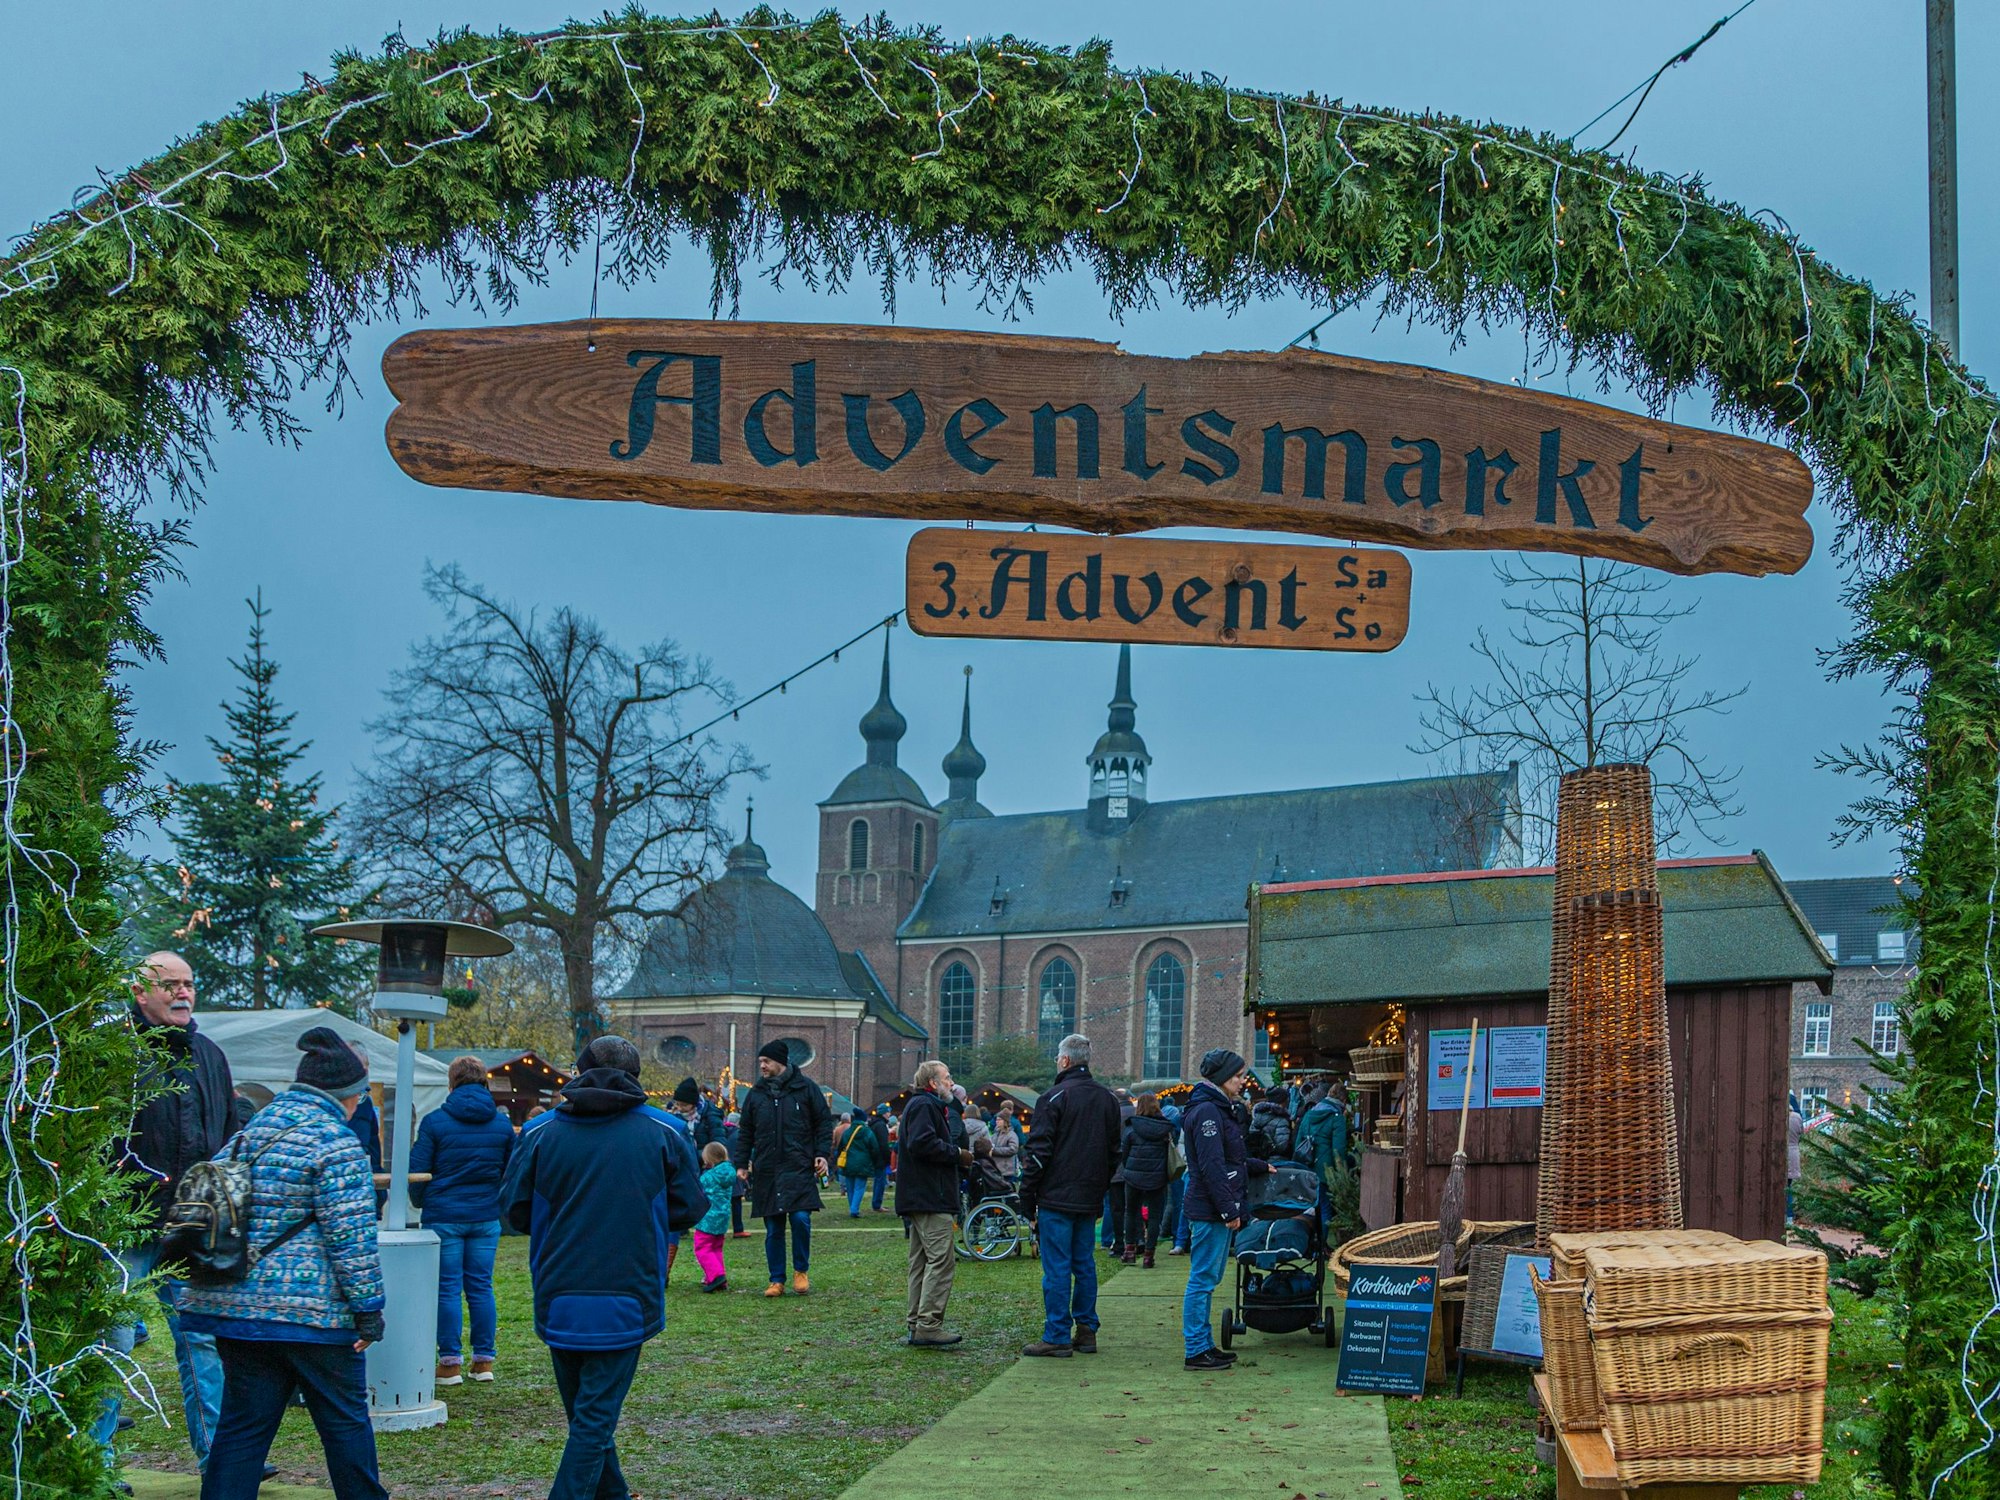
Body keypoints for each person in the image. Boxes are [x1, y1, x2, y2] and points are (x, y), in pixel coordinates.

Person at [177, 1026, 388, 1500]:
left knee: (242, 1431)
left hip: (239, 1313)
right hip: (316, 1317)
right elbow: (351, 1237)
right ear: (348, 1095)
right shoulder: (336, 1143)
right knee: (346, 1428)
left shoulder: (246, 1135)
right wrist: (369, 1311)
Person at [500, 1035, 704, 1500]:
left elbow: (513, 1210)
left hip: (561, 1284)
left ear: (578, 1071)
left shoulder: (539, 1133)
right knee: (591, 1417)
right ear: (636, 1077)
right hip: (628, 1286)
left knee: (588, 1414)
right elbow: (690, 1206)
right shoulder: (666, 1131)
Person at [99, 952, 242, 1477]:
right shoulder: (114, 1054)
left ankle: (221, 1460)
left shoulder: (210, 1054)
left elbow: (227, 1141)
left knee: (202, 1339)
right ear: (141, 993)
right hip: (124, 1226)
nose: (183, 993)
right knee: (112, 1341)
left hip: (192, 1227)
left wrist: (222, 1219)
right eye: (171, 985)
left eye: (189, 984)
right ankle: (97, 1464)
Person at [410, 1055, 515, 1387]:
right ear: (484, 1081)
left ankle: (450, 1364)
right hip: (485, 1215)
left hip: (444, 1216)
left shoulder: (434, 1122)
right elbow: (511, 1171)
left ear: (451, 1083)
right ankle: (483, 1362)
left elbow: (418, 1171)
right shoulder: (501, 1124)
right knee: (481, 1288)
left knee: (448, 1290)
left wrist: (421, 1202)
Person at [1016, 1034, 1122, 1358]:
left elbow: (1038, 1152)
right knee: (1084, 1264)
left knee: (1058, 1268)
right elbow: (1114, 1152)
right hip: (1088, 1195)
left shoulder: (1053, 1098)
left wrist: (1027, 1193)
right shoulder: (1107, 1100)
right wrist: (1100, 1187)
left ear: (1064, 1061)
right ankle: (1087, 1329)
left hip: (1056, 1196)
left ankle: (1058, 1334)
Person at [1181, 1049, 1275, 1372]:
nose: (1242, 1080)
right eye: (1237, 1075)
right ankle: (1195, 1348)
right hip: (1210, 1211)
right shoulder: (1208, 1112)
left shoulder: (1217, 1109)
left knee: (1209, 1277)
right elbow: (1212, 1167)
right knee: (1203, 1279)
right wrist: (1228, 1210)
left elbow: (1229, 1159)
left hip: (1213, 1208)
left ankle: (1204, 1344)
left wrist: (1260, 1165)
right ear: (1222, 1077)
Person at [736, 1040, 833, 1297]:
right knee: (774, 1228)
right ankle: (776, 1279)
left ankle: (801, 1271)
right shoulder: (756, 1094)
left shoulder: (806, 1089)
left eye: (766, 1062)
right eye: (760, 1063)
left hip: (798, 1165)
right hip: (767, 1168)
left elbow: (823, 1123)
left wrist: (822, 1154)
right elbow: (746, 1130)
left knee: (801, 1219)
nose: (762, 1067)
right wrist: (741, 1162)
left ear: (780, 1061)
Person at [898, 1060, 974, 1348]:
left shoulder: (924, 1106)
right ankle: (928, 1324)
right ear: (933, 1083)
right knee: (940, 1261)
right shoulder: (924, 1106)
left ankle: (918, 1323)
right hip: (931, 1196)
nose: (951, 1082)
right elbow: (922, 1143)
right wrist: (957, 1154)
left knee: (921, 1262)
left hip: (922, 1195)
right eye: (947, 1077)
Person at [1118, 1093, 1174, 1267]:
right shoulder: (1165, 1129)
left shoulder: (1132, 1127)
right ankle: (1149, 1255)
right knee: (1155, 1215)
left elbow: (1124, 1154)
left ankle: (1129, 1250)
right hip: (1157, 1178)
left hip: (1133, 1176)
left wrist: (1129, 1169)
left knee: (1131, 1212)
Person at [691, 1142, 736, 1292]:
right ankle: (718, 1276)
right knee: (716, 1247)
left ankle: (716, 1276)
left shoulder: (707, 1177)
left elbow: (697, 1193)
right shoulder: (729, 1173)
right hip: (722, 1217)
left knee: (702, 1248)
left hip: (707, 1218)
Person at [1101, 1088, 1136, 1252]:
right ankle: (1135, 1241)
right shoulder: (1137, 1114)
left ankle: (1118, 1243)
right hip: (1135, 1168)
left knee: (1115, 1207)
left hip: (1116, 1168)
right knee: (1133, 1208)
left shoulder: (1111, 1115)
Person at [835, 1108, 881, 1217]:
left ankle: (852, 1207)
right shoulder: (867, 1132)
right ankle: (854, 1210)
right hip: (863, 1163)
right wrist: (875, 1161)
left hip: (848, 1163)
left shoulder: (847, 1132)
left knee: (850, 1187)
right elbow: (874, 1148)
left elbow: (841, 1147)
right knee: (859, 1187)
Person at [868, 1105, 894, 1211]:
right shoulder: (881, 1126)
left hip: (874, 1156)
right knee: (880, 1181)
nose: (889, 1114)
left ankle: (876, 1203)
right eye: (888, 1112)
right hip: (880, 1158)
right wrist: (888, 1157)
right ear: (884, 1113)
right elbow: (883, 1144)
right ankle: (877, 1204)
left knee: (877, 1180)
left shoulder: (873, 1124)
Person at [989, 1105, 1022, 1185]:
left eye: (999, 1120)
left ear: (1005, 1121)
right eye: (997, 1120)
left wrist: (995, 1150)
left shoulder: (1011, 1135)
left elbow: (1013, 1149)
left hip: (1007, 1170)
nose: (997, 1121)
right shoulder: (995, 1134)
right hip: (996, 1169)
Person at [1786, 1092, 1805, 1222]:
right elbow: (1801, 1134)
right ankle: (1789, 1215)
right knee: (1788, 1187)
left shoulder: (1781, 1116)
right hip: (1793, 1153)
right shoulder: (1797, 1117)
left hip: (1782, 1152)